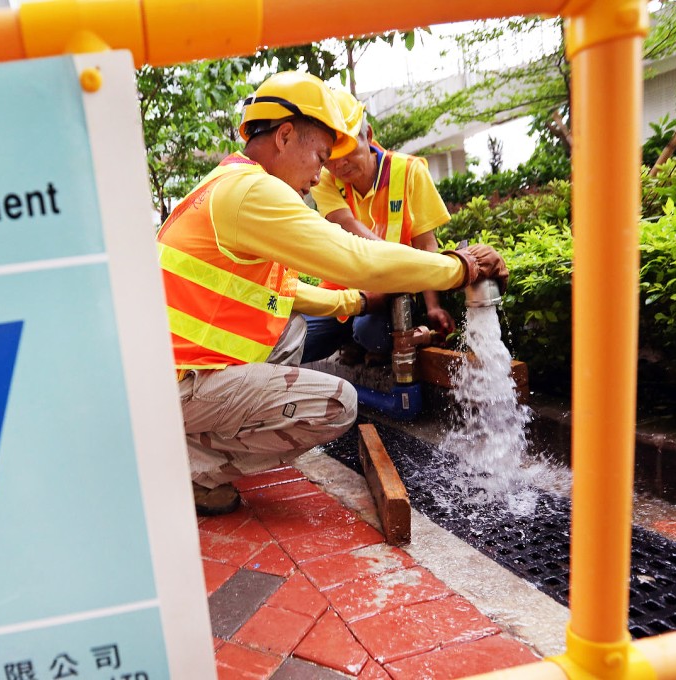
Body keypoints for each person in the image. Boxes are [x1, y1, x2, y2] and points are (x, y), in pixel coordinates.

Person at [156, 71, 507, 516]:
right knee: (337, 404)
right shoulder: (253, 192)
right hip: (174, 388)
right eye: (320, 155)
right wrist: (461, 268)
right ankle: (176, 467)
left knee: (290, 334)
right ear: (285, 136)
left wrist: (356, 302)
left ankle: (182, 450)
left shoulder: (225, 182)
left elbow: (284, 294)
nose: (322, 172)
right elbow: (356, 256)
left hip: (167, 377)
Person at [302, 90, 456, 365]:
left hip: (393, 292)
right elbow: (345, 223)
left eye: (347, 152)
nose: (339, 165)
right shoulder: (324, 180)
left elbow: (426, 245)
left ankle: (360, 340)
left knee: (372, 333)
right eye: (330, 158)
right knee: (299, 340)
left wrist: (433, 306)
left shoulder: (410, 171)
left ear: (368, 135)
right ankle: (351, 338)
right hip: (344, 293)